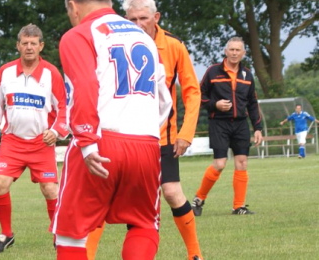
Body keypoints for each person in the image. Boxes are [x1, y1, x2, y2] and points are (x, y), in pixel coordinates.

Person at [83, 1, 204, 259]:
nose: (138, 24)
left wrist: (186, 132)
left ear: (156, 17)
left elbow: (192, 91)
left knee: (171, 192)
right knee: (100, 197)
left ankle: (195, 253)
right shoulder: (109, 40)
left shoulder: (174, 45)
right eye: (132, 19)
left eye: (143, 18)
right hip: (118, 135)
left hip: (161, 137)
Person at [52, 1, 172, 259]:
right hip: (147, 144)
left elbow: (83, 88)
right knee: (144, 224)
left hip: (101, 140)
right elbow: (165, 100)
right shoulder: (145, 36)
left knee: (70, 234)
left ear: (73, 5)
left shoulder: (79, 34)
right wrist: (144, 129)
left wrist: (86, 142)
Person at [0, 23, 69, 253]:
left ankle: (57, 233)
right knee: (0, 183)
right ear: (18, 46)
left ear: (41, 46)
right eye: (25, 43)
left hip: (41, 143)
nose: (29, 47)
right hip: (12, 141)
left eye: (33, 43)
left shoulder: (52, 73)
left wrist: (57, 131)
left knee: (50, 190)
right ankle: (6, 234)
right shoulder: (5, 72)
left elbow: (64, 108)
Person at [192, 37, 264, 217]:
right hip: (219, 123)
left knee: (242, 162)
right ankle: (199, 199)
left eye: (237, 50)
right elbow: (199, 95)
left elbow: (253, 103)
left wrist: (257, 127)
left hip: (240, 124)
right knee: (219, 164)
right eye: (231, 49)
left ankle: (238, 207)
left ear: (243, 53)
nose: (234, 53)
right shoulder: (213, 72)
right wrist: (215, 104)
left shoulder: (247, 75)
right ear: (225, 51)